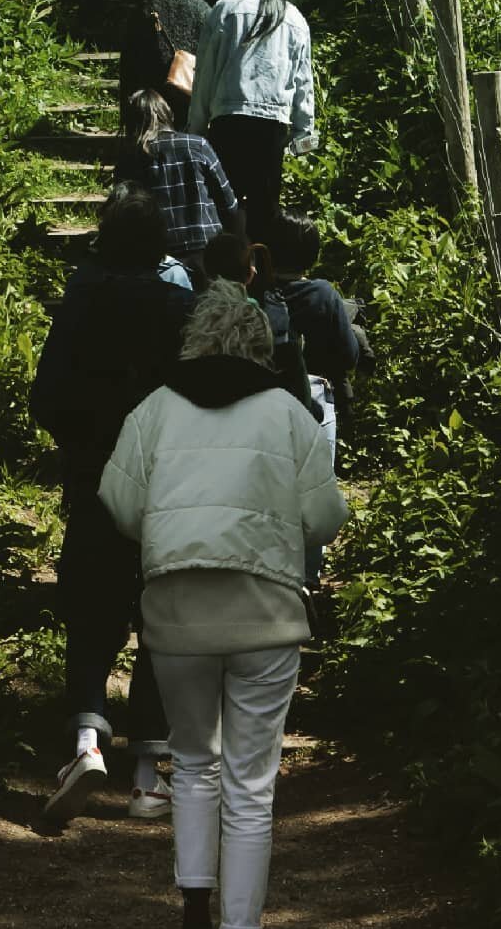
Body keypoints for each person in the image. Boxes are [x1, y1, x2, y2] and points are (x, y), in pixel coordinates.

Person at [99, 281, 348, 929]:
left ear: (194, 340)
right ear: (261, 344)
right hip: (265, 612)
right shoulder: (287, 414)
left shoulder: (153, 410)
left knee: (196, 765)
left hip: (177, 610)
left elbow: (118, 504)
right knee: (250, 782)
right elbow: (325, 516)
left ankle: (190, 925)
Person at [31, 185, 195, 825]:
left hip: (98, 481)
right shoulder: (185, 308)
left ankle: (86, 743)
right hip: (170, 488)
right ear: (161, 246)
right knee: (163, 615)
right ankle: (150, 776)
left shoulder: (82, 304)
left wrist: (82, 444)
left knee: (92, 607)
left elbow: (45, 397)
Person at [265, 210, 370, 586]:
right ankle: (307, 581)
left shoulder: (255, 293)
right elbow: (348, 355)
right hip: (314, 398)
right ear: (313, 255)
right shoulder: (323, 295)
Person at [190, 0, 315, 238]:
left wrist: (197, 129)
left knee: (225, 204)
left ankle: (226, 271)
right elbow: (303, 81)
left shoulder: (224, 8)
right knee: (265, 208)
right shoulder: (292, 15)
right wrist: (303, 136)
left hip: (228, 120)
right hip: (272, 126)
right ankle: (262, 271)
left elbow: (204, 73)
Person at [115, 89, 243, 283]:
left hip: (160, 256)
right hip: (208, 251)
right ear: (168, 114)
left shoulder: (131, 157)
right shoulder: (198, 145)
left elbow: (122, 216)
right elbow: (230, 204)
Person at [201, 229, 312, 410]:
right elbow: (295, 381)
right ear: (251, 273)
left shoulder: (194, 311)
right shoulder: (260, 315)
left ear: (206, 271)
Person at [118, 0, 210, 129]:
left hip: (154, 104)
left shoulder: (143, 11)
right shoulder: (204, 9)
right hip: (193, 95)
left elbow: (128, 68)